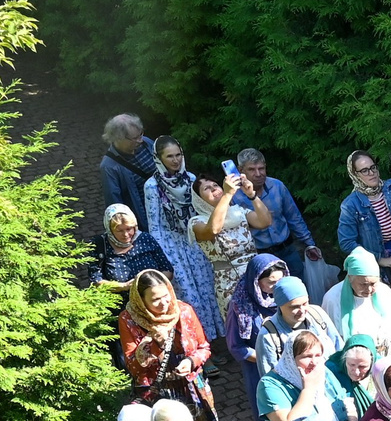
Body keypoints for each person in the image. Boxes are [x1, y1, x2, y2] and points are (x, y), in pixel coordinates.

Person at [141, 137, 221, 340]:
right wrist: (163, 256)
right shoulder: (152, 186)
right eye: (169, 156)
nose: (175, 160)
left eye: (179, 155)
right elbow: (155, 223)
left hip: (195, 240)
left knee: (208, 289)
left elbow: (201, 210)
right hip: (172, 246)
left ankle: (217, 336)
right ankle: (199, 342)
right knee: (188, 295)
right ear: (158, 158)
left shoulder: (191, 179)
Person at [117, 270, 216, 421]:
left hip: (192, 387)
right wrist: (157, 345)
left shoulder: (183, 311)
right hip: (157, 394)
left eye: (166, 296)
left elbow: (203, 347)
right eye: (156, 299)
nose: (164, 303)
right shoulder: (128, 320)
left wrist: (191, 362)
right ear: (141, 300)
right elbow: (133, 367)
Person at [251, 269, 339, 401]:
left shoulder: (317, 314)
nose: (302, 311)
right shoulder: (268, 336)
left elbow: (338, 346)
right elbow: (270, 380)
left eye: (305, 303)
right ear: (280, 305)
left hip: (333, 389)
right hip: (298, 397)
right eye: (294, 307)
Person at [220, 253, 289, 417]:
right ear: (256, 281)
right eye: (271, 282)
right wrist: (267, 358)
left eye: (280, 280)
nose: (277, 286)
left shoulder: (286, 296)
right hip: (259, 368)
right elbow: (236, 346)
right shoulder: (239, 305)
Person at [337, 151, 391, 269]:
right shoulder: (350, 205)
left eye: (373, 167)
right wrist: (378, 259)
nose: (371, 173)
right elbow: (346, 242)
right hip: (378, 261)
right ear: (355, 175)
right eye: (364, 170)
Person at [231, 149, 318, 266]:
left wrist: (309, 244)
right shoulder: (234, 196)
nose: (258, 174)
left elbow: (293, 217)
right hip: (259, 256)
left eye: (261, 168)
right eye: (251, 169)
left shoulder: (277, 186)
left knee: (299, 282)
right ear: (241, 170)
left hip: (288, 250)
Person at [328, 249, 391, 366]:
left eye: (373, 283)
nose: (369, 289)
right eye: (363, 284)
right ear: (350, 278)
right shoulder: (333, 299)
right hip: (353, 366)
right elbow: (331, 340)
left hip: (385, 361)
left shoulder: (385, 292)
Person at [192, 164, 270, 282]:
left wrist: (251, 195)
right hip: (230, 282)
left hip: (256, 274)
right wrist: (227, 194)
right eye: (206, 188)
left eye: (215, 185)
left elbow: (265, 222)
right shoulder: (196, 222)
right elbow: (213, 230)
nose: (213, 189)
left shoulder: (238, 211)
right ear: (199, 199)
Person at [99, 115, 155, 231]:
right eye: (134, 138)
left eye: (141, 134)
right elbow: (114, 204)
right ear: (118, 138)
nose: (140, 140)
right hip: (144, 221)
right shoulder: (109, 167)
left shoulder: (148, 143)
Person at [96, 203, 168, 286]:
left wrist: (152, 287)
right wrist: (124, 286)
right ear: (110, 230)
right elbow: (96, 280)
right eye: (119, 231)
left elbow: (167, 269)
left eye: (129, 229)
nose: (126, 234)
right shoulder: (101, 245)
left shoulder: (145, 238)